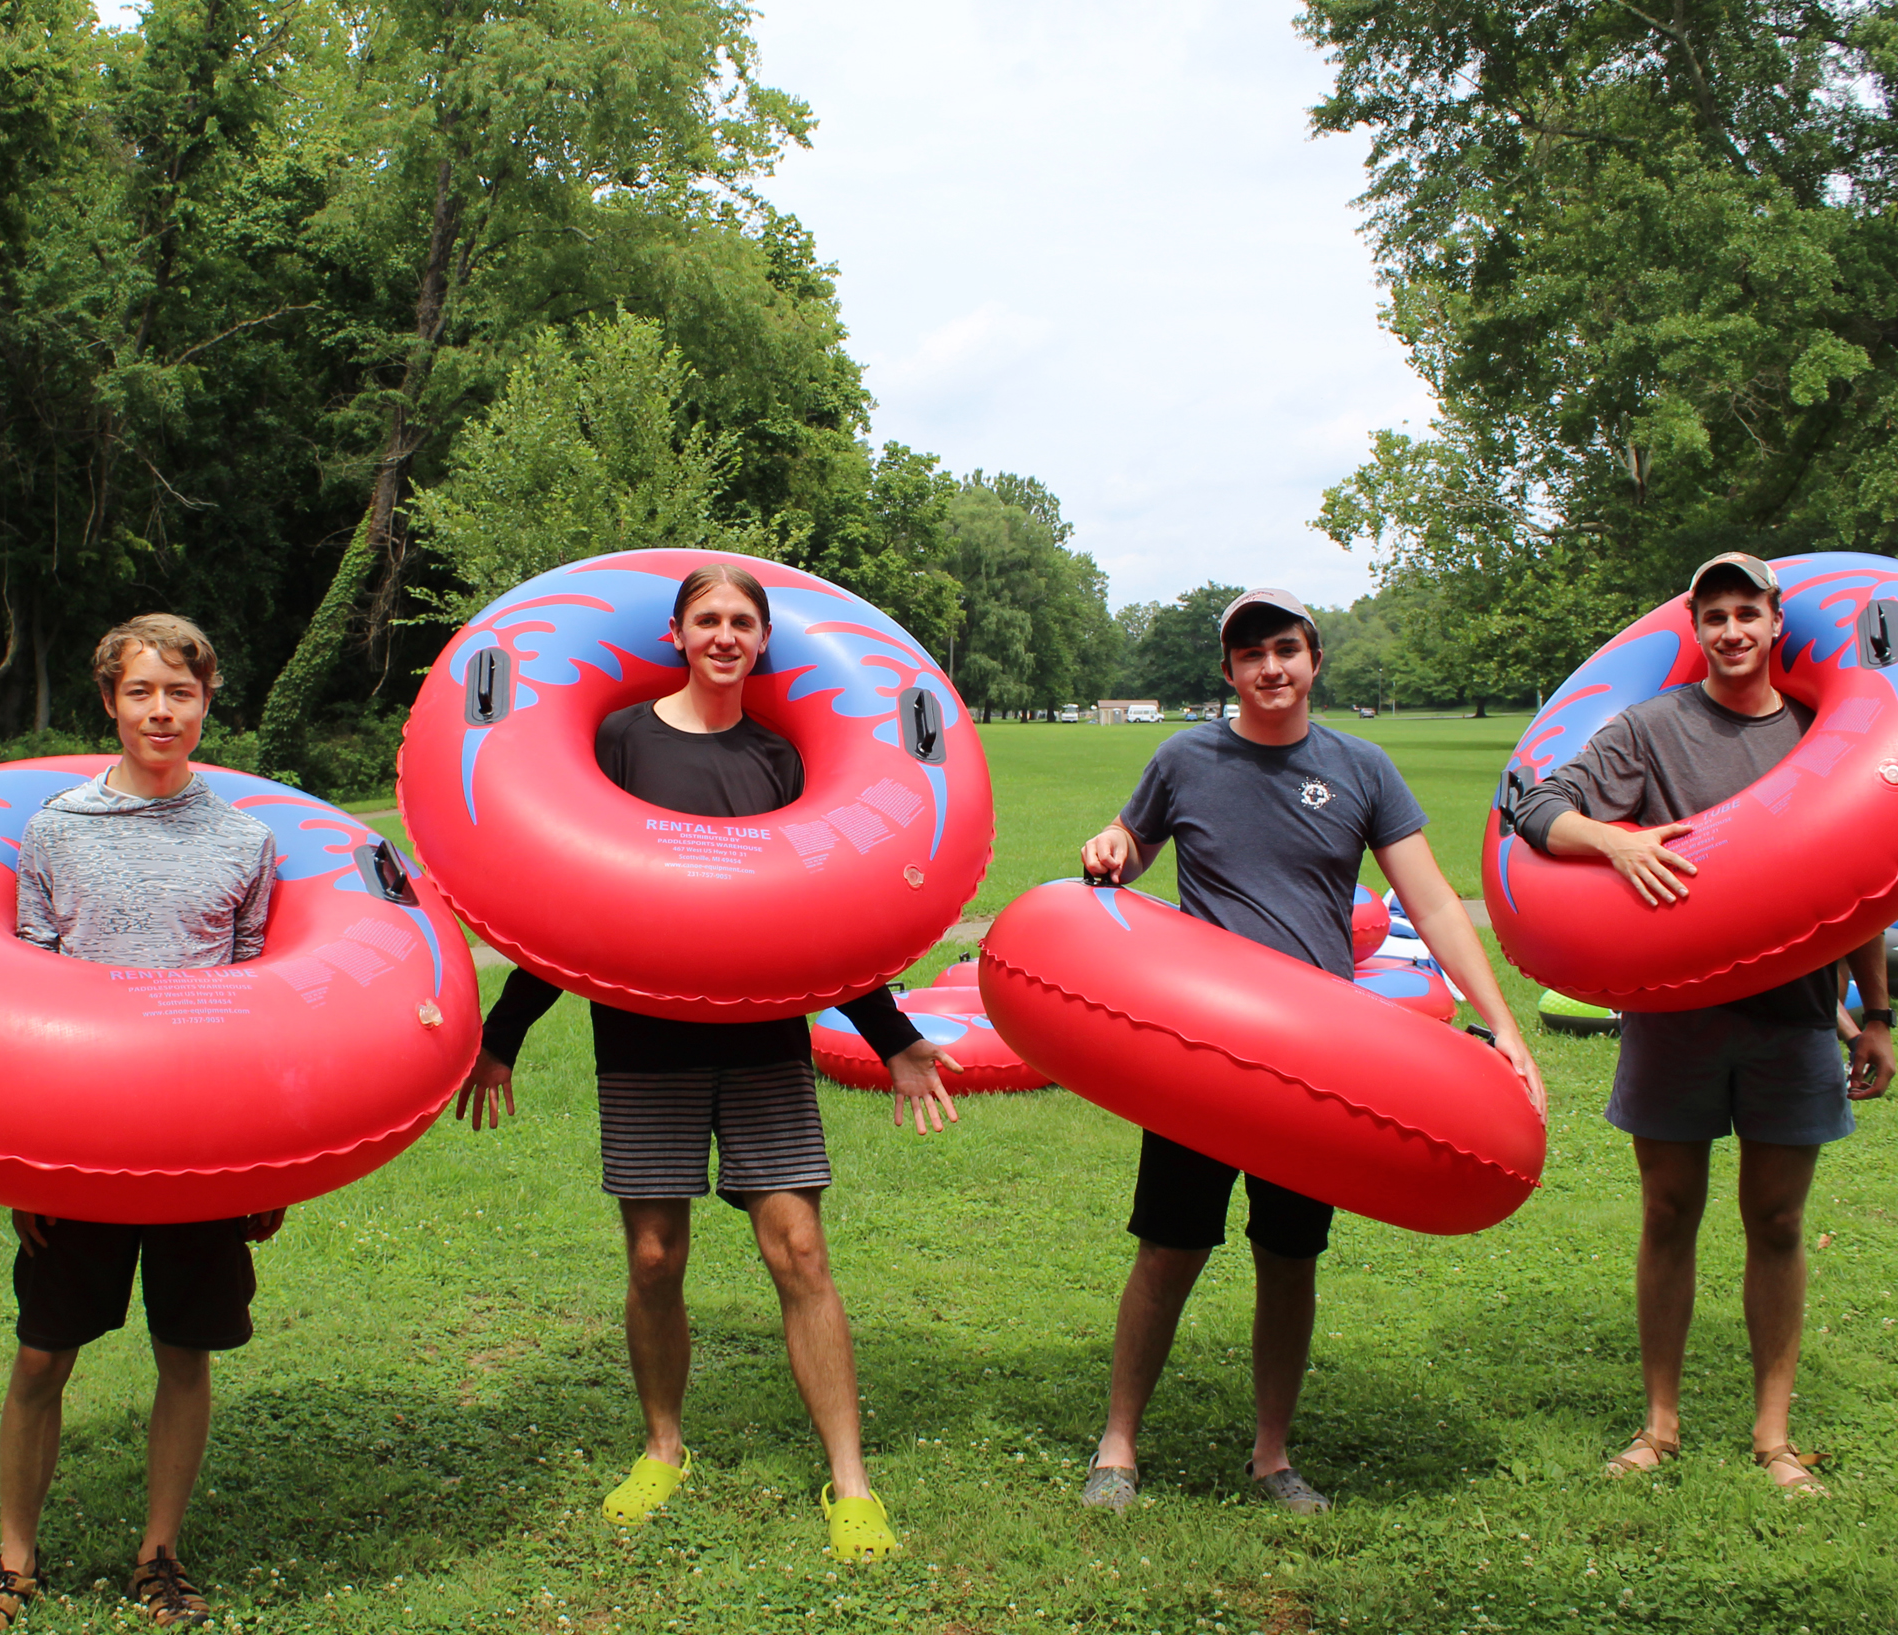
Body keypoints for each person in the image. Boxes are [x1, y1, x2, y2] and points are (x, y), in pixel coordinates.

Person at [457, 563, 959, 1562]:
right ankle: (662, 1448)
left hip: (762, 1039)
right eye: (707, 620)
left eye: (741, 621)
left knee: (800, 1250)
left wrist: (895, 1038)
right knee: (653, 1257)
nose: (724, 635)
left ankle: (851, 1481)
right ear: (677, 635)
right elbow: (572, 904)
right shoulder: (619, 741)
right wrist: (502, 1037)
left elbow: (817, 921)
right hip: (643, 1040)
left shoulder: (781, 758)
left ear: (764, 641)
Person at [1076, 588, 1544, 1514]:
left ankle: (1273, 1456)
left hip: (1317, 1066)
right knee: (1168, 1249)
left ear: (1314, 660)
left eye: (1285, 649)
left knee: (1290, 1256)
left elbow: (1432, 900)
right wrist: (1114, 840)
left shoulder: (1361, 767)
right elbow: (1133, 846)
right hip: (1201, 1057)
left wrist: (1503, 1022)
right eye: (1250, 654)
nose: (1270, 667)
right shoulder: (1184, 758)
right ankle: (1117, 1445)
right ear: (1228, 671)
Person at [1509, 551, 1898, 1498]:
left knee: (1778, 1218)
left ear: (1776, 623)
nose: (1730, 631)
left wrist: (1875, 1016)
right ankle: (1660, 1424)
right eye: (1713, 615)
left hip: (1793, 1022)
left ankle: (1774, 1436)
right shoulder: (1650, 728)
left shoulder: (1822, 735)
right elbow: (1538, 806)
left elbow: (1862, 891)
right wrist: (1615, 839)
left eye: (1745, 613)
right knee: (1668, 1210)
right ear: (1695, 629)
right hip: (1674, 1017)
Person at [0, 615, 281, 1634]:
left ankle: (159, 1553)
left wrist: (262, 1168)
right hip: (81, 1142)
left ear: (207, 702)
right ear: (110, 702)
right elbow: (30, 1004)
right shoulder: (56, 830)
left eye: (180, 692)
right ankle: (13, 1562)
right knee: (42, 1356)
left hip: (197, 1143)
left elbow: (257, 1007)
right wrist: (26, 1169)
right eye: (141, 692)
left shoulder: (245, 841)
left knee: (186, 1352)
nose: (161, 711)